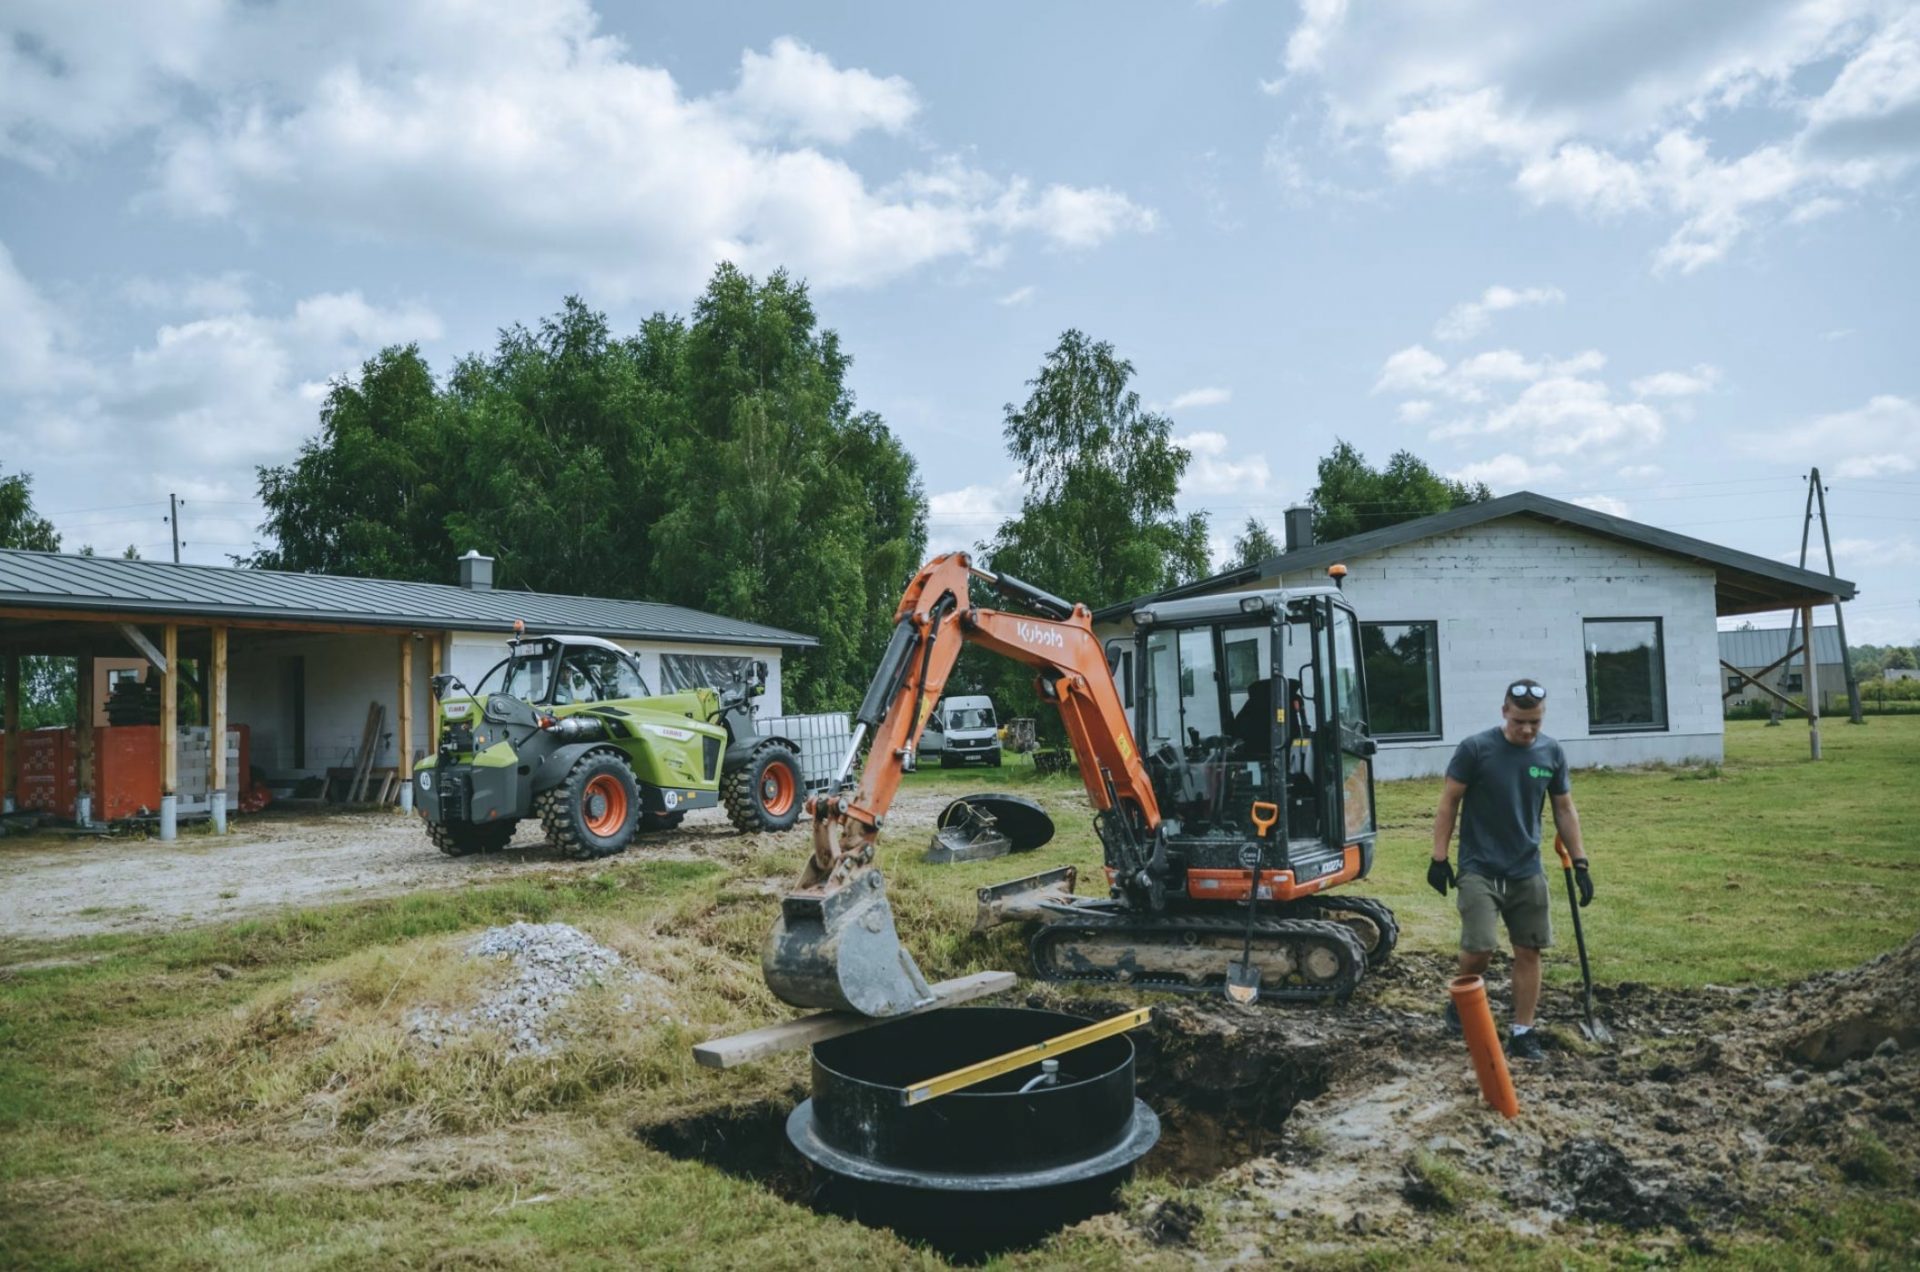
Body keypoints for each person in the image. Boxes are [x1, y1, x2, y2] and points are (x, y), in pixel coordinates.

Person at [1428, 678, 1593, 1061]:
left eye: (1534, 721)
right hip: (1479, 867)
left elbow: (1564, 809)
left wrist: (1581, 860)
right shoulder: (1475, 749)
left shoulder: (1551, 753)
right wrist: (1439, 858)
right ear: (1505, 712)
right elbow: (1449, 802)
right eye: (1520, 720)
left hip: (1526, 869)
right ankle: (1462, 995)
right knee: (1479, 948)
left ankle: (1522, 1031)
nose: (1527, 729)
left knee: (1530, 949)